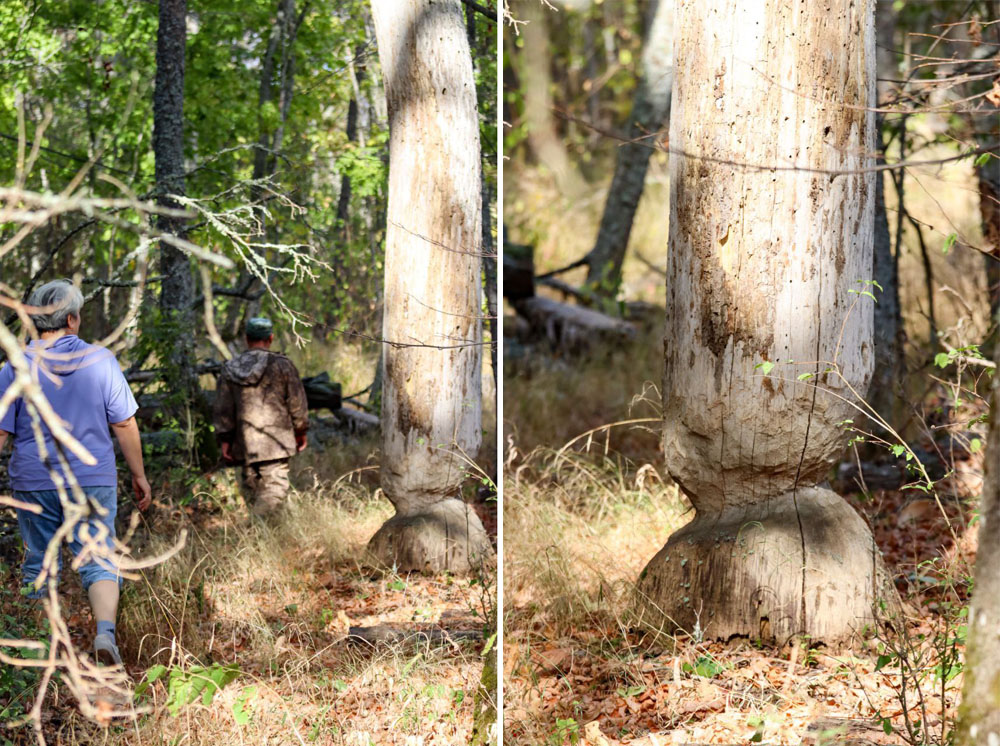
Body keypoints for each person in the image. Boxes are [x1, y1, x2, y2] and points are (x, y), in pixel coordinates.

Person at [0, 280, 151, 667]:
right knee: (100, 558)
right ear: (71, 319)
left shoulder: (15, 365)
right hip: (91, 479)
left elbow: (1, 430)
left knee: (39, 563)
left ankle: (41, 656)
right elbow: (124, 424)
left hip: (34, 481)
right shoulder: (101, 361)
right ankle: (105, 634)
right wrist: (139, 475)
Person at [213, 317, 309, 518]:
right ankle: (256, 530)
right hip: (276, 442)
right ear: (271, 338)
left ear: (247, 339)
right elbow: (297, 404)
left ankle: (261, 538)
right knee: (274, 490)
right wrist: (300, 430)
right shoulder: (282, 365)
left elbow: (223, 409)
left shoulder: (230, 368)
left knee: (253, 489)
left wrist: (225, 440)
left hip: (244, 443)